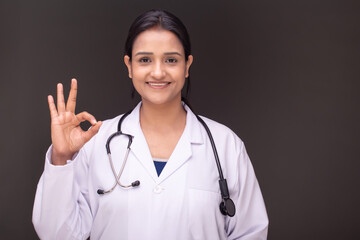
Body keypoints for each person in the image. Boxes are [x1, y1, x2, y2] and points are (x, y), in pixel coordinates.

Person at [32, 9, 268, 239]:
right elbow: (57, 235)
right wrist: (61, 158)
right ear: (129, 66)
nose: (157, 72)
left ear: (187, 65)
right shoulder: (97, 143)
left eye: (171, 60)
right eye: (145, 59)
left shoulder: (226, 146)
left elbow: (251, 233)